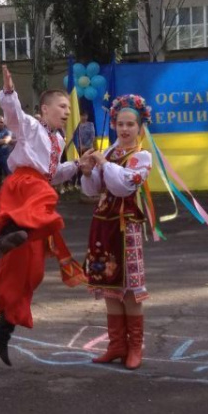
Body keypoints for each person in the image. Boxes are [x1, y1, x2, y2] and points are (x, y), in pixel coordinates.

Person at [0, 66, 86, 367]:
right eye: (62, 106)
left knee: (32, 272)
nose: (67, 111)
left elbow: (52, 174)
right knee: (46, 198)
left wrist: (79, 165)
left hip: (37, 193)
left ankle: (1, 331)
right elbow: (14, 117)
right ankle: (8, 234)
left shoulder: (56, 141)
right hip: (24, 188)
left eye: (68, 107)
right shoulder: (32, 127)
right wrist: (10, 94)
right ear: (45, 108)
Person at [80, 95, 152, 370]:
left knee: (131, 290)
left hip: (127, 227)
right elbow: (93, 189)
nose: (124, 129)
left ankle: (135, 347)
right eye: (120, 123)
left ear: (140, 127)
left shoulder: (141, 157)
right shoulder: (108, 152)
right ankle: (116, 345)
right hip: (103, 224)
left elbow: (124, 186)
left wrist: (103, 164)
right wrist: (87, 172)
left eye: (130, 124)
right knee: (110, 288)